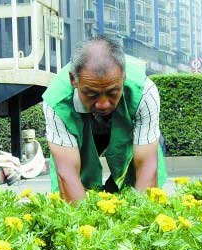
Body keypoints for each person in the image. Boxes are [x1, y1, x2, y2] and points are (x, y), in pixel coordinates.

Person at [42, 35, 167, 202]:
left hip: (129, 135)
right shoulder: (56, 101)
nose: (103, 104)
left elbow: (147, 166)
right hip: (80, 136)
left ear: (123, 77)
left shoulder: (144, 92)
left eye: (112, 93)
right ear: (74, 80)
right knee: (72, 192)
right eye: (91, 94)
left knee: (135, 189)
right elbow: (67, 173)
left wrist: (140, 221)